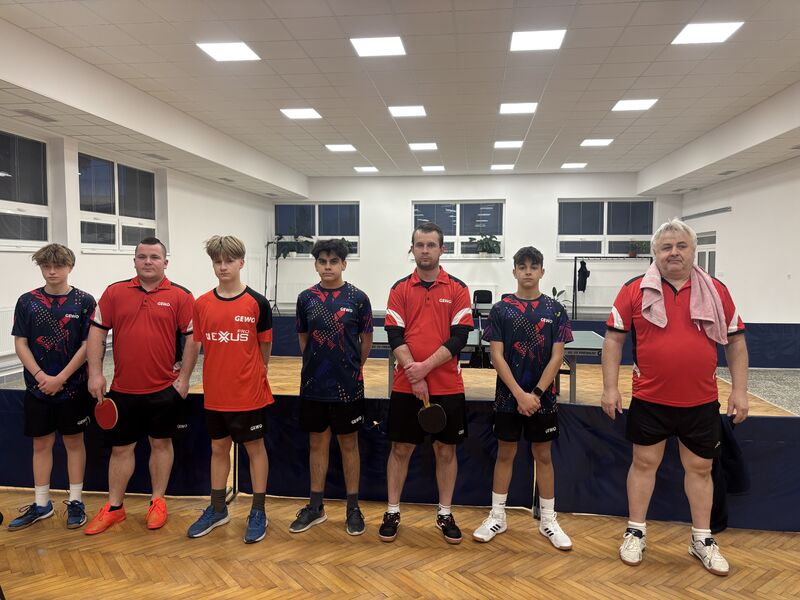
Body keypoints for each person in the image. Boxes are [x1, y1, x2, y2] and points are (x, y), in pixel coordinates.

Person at [601, 218, 748, 576]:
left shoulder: (716, 290)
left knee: (700, 469)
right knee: (643, 464)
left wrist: (740, 390)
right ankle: (636, 531)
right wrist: (610, 387)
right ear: (655, 252)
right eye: (666, 247)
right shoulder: (634, 289)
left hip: (701, 400)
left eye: (681, 246)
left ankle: (702, 539)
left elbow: (736, 342)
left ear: (693, 251)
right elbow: (614, 340)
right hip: (650, 399)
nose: (674, 253)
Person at [84, 237, 198, 535]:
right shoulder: (114, 292)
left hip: (164, 390)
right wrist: (95, 373)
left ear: (165, 262)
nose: (148, 262)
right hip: (123, 390)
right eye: (142, 256)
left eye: (154, 257)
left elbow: (192, 339)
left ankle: (157, 502)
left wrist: (184, 379)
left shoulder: (181, 295)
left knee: (161, 445)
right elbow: (97, 333)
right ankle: (114, 508)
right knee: (121, 449)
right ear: (134, 260)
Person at [472, 246, 574, 550]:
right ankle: (498, 516)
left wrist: (536, 394)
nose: (528, 271)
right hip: (508, 399)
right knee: (505, 454)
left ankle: (548, 520)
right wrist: (519, 394)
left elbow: (557, 357)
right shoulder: (501, 310)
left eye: (533, 266)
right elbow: (496, 356)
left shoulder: (555, 310)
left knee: (544, 456)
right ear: (514, 271)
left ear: (542, 271)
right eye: (522, 266)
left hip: (544, 400)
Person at [380, 222, 474, 544]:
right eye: (419, 245)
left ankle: (444, 513)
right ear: (412, 249)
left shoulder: (458, 288)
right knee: (400, 449)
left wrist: (423, 369)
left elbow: (460, 337)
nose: (424, 250)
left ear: (441, 249)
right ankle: (392, 511)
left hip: (448, 386)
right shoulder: (400, 288)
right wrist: (413, 373)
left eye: (431, 245)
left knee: (445, 451)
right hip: (405, 385)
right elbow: (394, 335)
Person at [187, 236, 274, 544]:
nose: (222, 267)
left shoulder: (257, 303)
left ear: (241, 263)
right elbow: (199, 344)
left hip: (249, 394)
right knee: (218, 449)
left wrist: (255, 374)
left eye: (228, 261)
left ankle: (258, 510)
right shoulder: (201, 303)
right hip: (215, 393)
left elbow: (264, 347)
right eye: (217, 261)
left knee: (255, 449)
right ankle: (217, 508)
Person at [8, 244, 96, 531]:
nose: (52, 271)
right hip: (38, 389)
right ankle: (42, 504)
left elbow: (87, 345)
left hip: (73, 389)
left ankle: (76, 502)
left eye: (58, 266)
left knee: (74, 443)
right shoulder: (27, 302)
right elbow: (21, 342)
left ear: (70, 267)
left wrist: (61, 378)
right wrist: (40, 375)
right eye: (46, 266)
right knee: (41, 445)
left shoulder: (84, 301)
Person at [289, 239, 373, 536]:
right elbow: (303, 339)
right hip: (314, 386)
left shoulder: (358, 298)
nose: (328, 266)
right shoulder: (305, 298)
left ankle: (353, 508)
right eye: (322, 261)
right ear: (315, 265)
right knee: (317, 444)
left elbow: (365, 341)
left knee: (349, 445)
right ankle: (316, 507)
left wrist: (351, 367)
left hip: (348, 387)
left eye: (333, 261)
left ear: (344, 264)